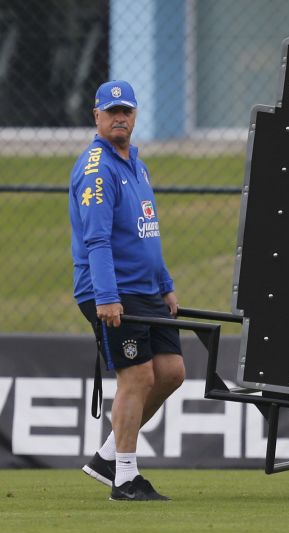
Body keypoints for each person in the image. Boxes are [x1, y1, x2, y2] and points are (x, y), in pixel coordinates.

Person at [69, 80, 185, 500]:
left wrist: (167, 286)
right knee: (137, 375)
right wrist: (106, 296)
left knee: (171, 373)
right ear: (96, 117)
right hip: (113, 288)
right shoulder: (98, 169)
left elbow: (146, 234)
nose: (120, 117)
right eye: (112, 111)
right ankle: (125, 478)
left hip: (147, 289)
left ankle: (105, 456)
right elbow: (97, 240)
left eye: (127, 111)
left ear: (135, 116)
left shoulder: (137, 163)